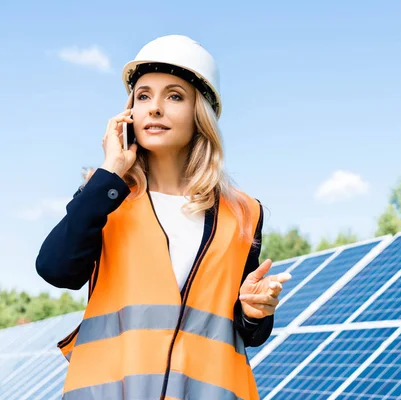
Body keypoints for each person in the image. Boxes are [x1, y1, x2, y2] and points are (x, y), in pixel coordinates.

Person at [36, 34, 291, 400]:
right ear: (128, 114)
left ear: (199, 112)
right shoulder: (105, 195)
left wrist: (255, 312)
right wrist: (111, 170)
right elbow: (56, 269)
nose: (154, 108)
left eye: (174, 96)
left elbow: (244, 331)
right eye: (143, 96)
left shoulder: (244, 212)